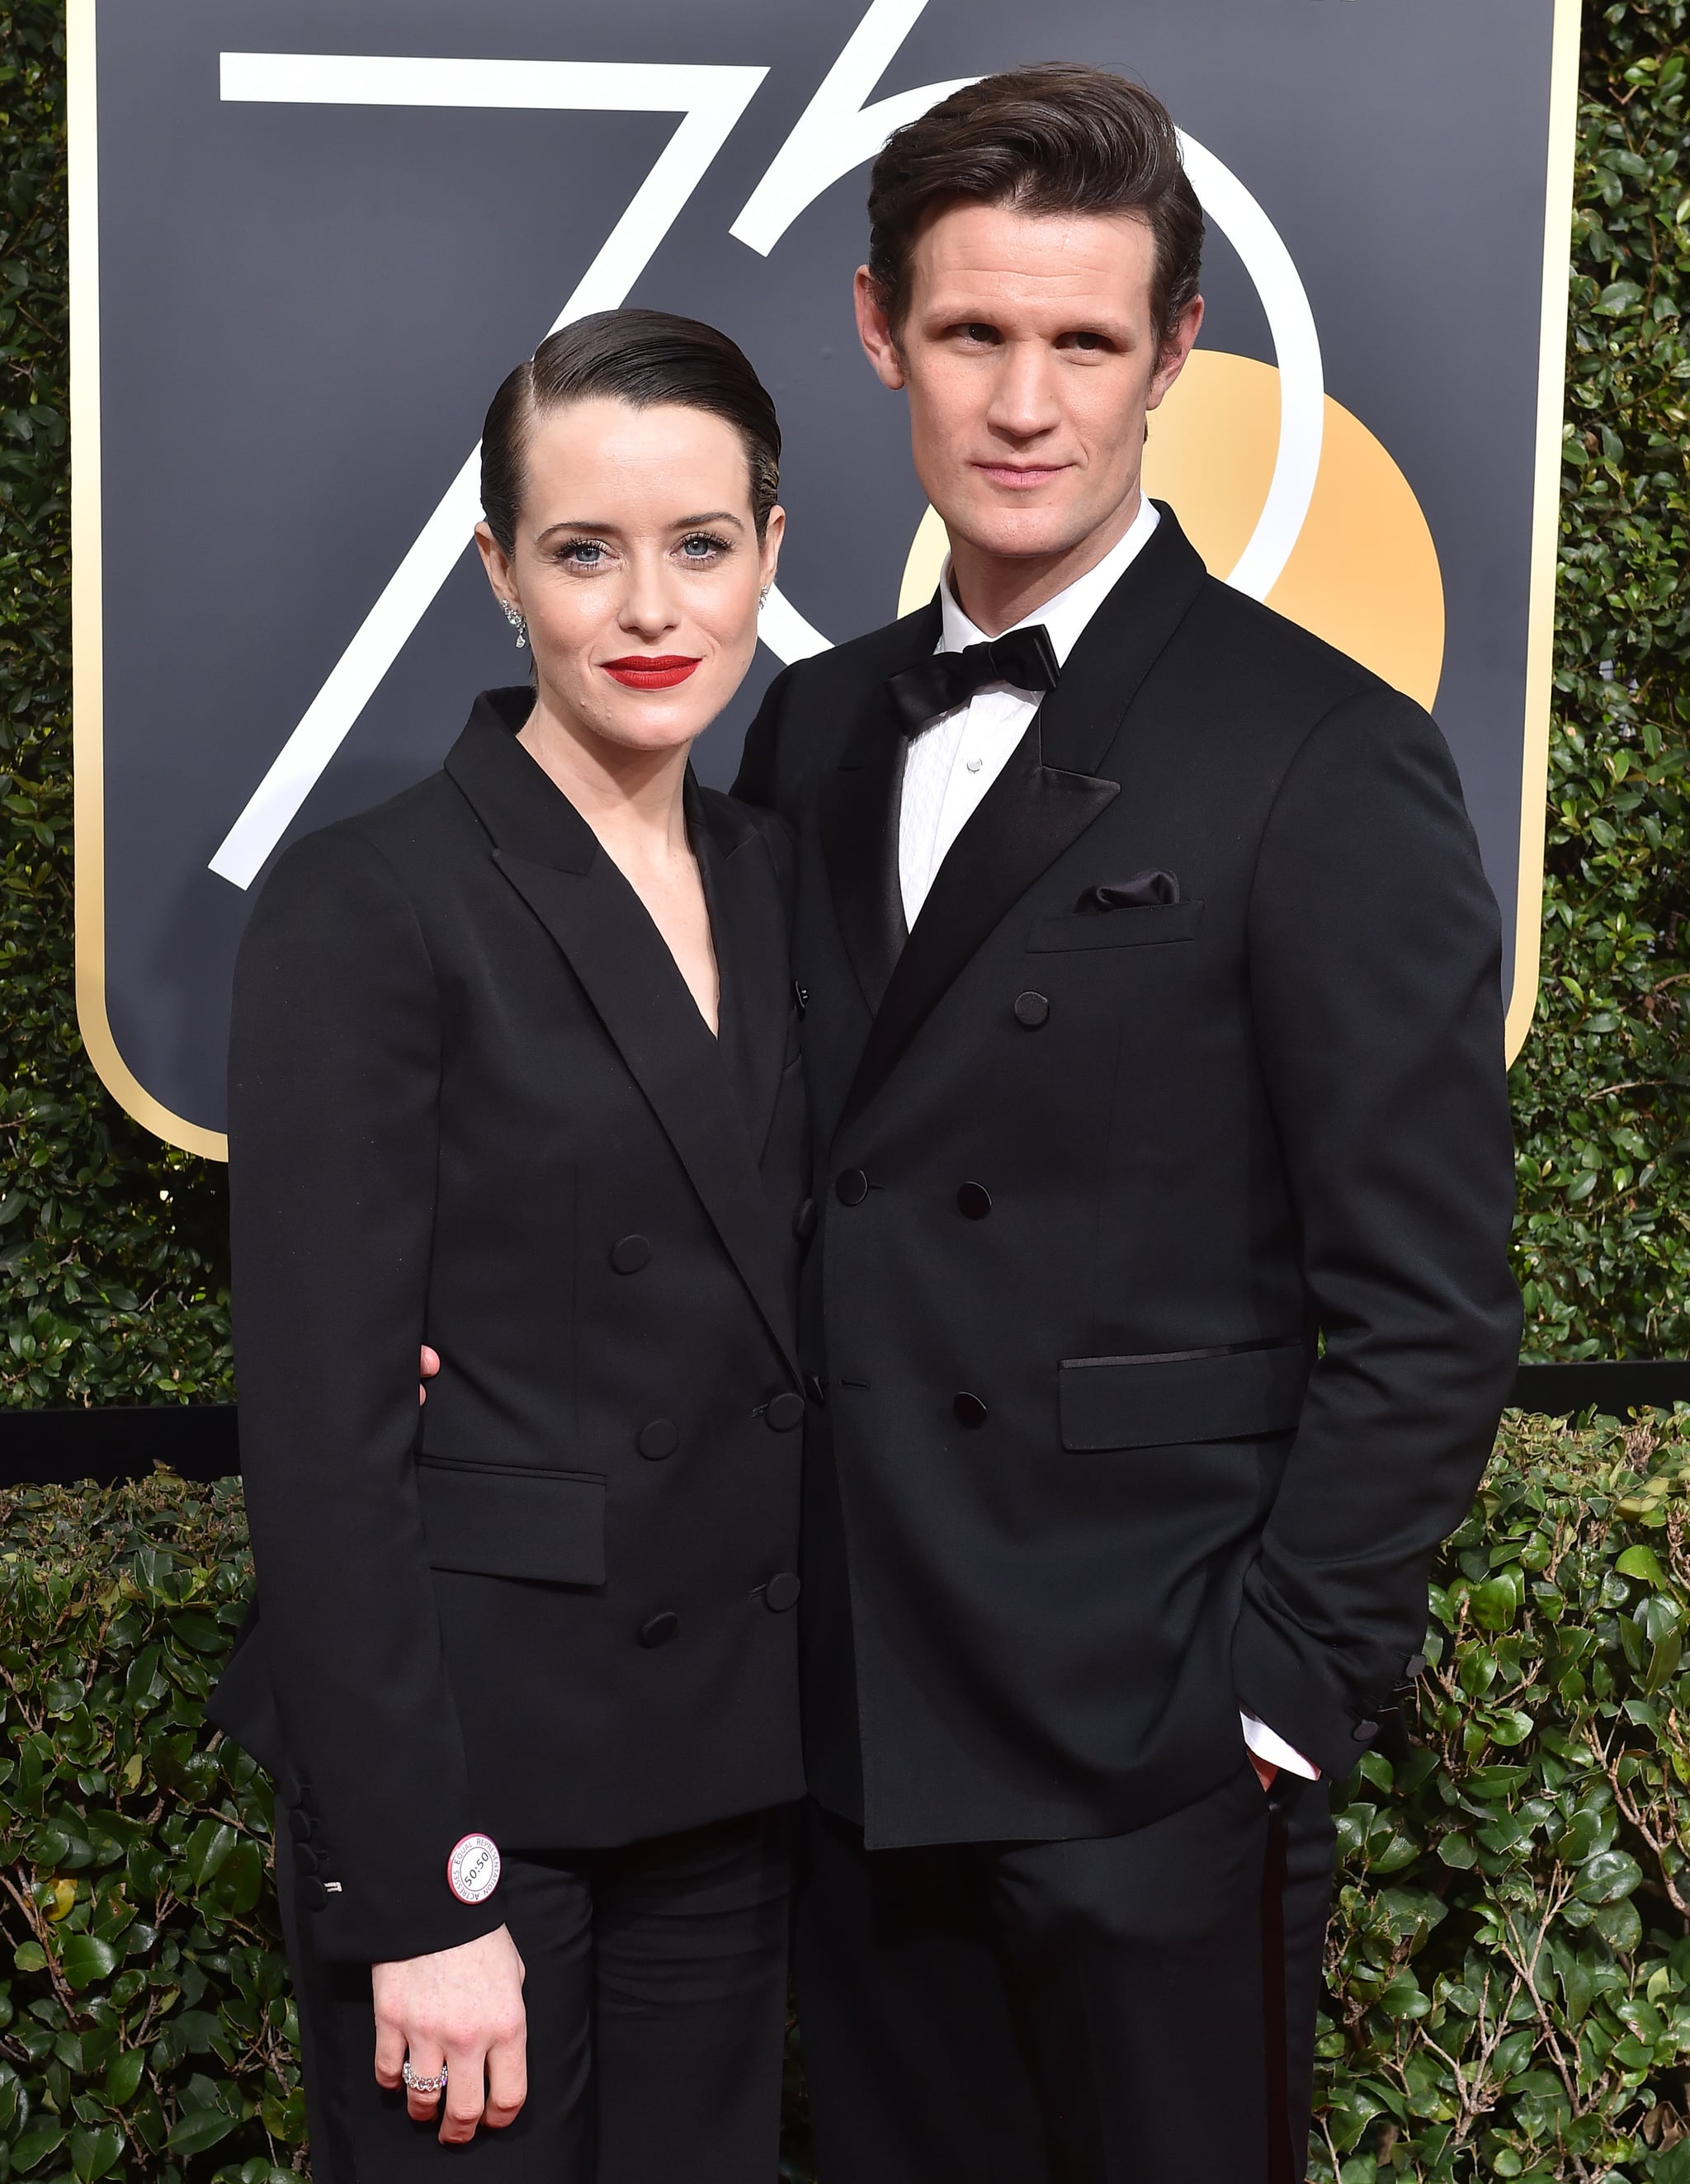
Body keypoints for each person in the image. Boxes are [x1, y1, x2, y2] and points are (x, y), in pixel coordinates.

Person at [731, 64, 1523, 2184]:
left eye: (1083, 341)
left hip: (1149, 1748)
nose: (1024, 400)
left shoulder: (1320, 755)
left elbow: (1435, 1304)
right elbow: (719, 1159)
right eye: (976, 332)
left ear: (1173, 354)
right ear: (883, 328)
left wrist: (1269, 1705)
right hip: (849, 1727)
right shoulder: (801, 731)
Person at [208, 309, 812, 2182]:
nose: (650, 605)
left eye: (700, 544)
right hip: (481, 1792)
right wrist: (415, 1891)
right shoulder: (368, 901)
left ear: (771, 552)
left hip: (730, 1764)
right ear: (495, 571)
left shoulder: (794, 885)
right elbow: (322, 1444)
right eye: (583, 548)